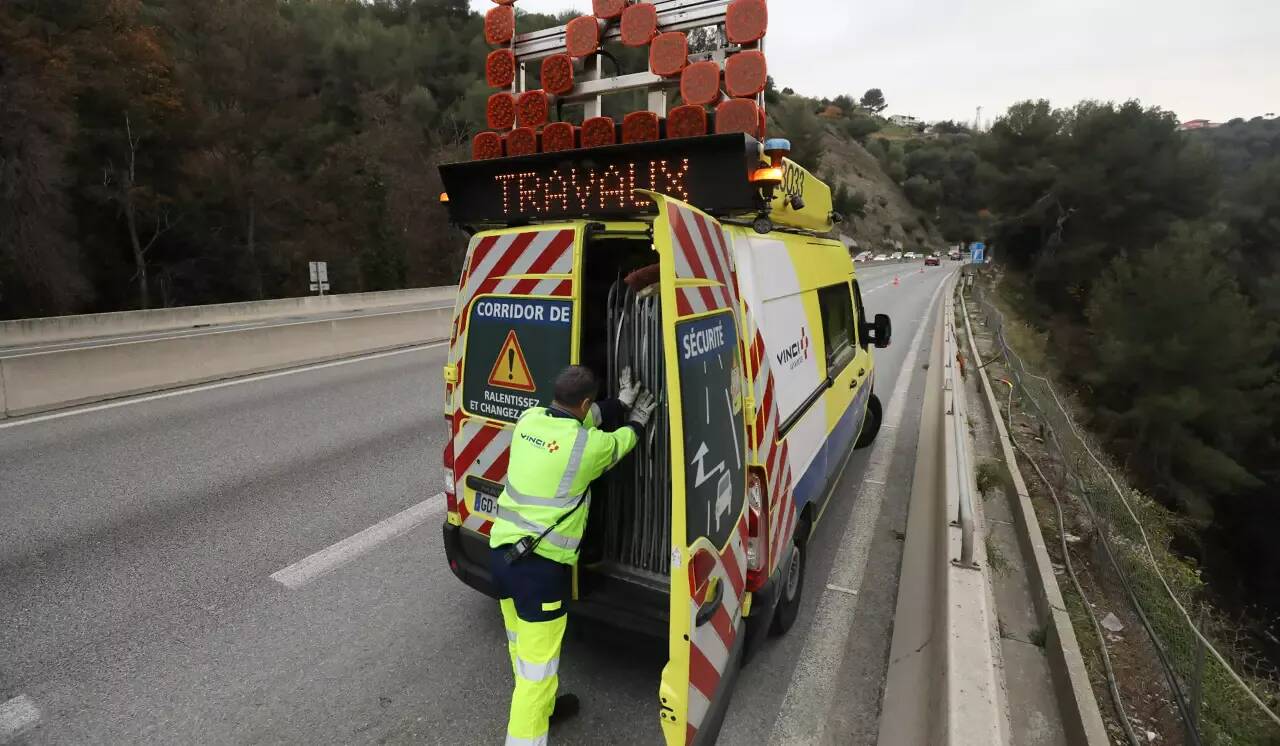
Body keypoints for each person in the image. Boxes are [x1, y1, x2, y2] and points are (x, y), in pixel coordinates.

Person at [489, 365, 657, 746]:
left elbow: (583, 419)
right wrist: (636, 418)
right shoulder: (588, 448)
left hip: (501, 558)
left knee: (524, 653)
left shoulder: (529, 420)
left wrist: (617, 403)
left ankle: (546, 708)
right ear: (584, 403)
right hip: (539, 574)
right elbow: (623, 441)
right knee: (534, 679)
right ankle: (529, 729)